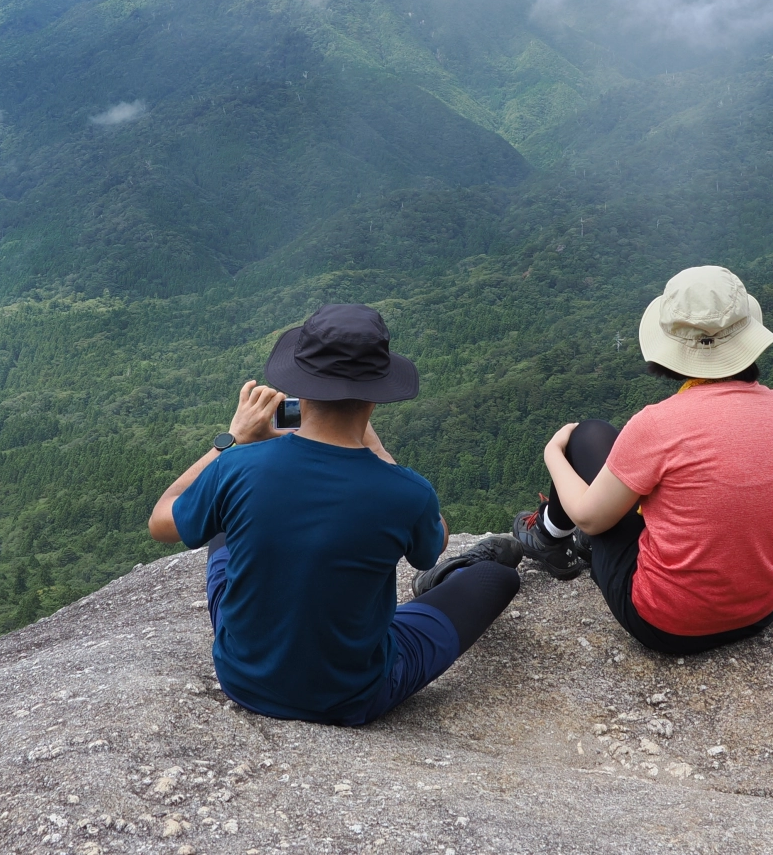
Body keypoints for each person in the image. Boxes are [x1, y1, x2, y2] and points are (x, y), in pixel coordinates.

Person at [147, 303, 521, 725]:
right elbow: (432, 545)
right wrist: (379, 454)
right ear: (377, 396)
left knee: (224, 519)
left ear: (299, 391)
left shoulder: (236, 468)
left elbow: (161, 521)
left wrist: (231, 441)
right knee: (498, 577)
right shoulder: (407, 492)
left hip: (242, 678)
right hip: (352, 696)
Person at [512, 265, 773, 655]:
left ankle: (550, 537)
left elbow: (590, 516)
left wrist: (553, 451)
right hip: (760, 611)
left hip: (666, 625)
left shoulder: (659, 423)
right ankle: (551, 535)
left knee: (589, 435)